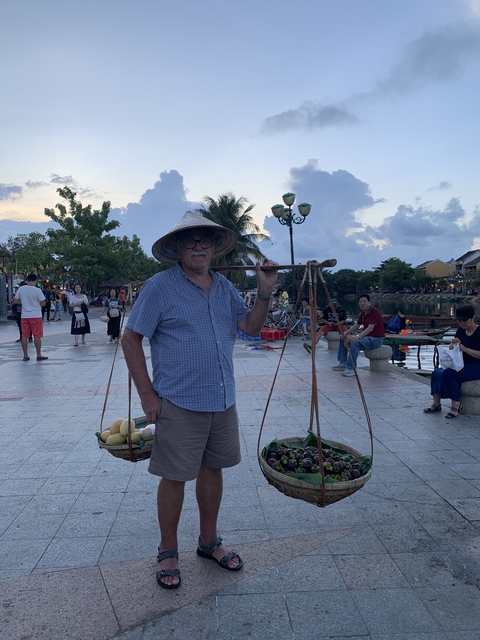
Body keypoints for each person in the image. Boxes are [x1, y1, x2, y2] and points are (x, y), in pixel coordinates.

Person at [121, 210, 278, 590]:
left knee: (213, 470)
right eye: (189, 240)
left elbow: (250, 328)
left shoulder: (223, 287)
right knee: (174, 477)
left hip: (222, 398)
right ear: (176, 248)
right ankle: (167, 549)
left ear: (213, 247)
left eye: (204, 240)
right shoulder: (160, 287)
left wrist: (265, 291)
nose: (198, 246)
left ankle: (209, 542)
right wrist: (148, 397)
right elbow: (130, 338)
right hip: (177, 400)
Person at [423, 304, 480, 419]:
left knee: (450, 374)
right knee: (437, 373)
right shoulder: (460, 330)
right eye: (459, 321)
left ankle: (456, 404)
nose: (462, 324)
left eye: (465, 320)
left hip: (476, 365)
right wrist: (453, 344)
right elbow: (452, 348)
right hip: (461, 363)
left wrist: (465, 349)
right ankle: (436, 403)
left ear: (473, 317)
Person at [332, 293, 384, 377]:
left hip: (376, 339)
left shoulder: (374, 312)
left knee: (355, 343)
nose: (362, 303)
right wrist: (345, 333)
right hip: (366, 338)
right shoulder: (363, 313)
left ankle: (351, 368)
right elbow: (357, 325)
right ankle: (343, 362)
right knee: (343, 338)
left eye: (364, 301)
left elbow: (370, 328)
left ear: (369, 302)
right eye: (360, 302)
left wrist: (357, 336)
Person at [12, 273, 48, 362]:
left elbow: (15, 301)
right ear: (36, 281)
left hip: (24, 315)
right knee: (37, 335)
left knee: (24, 336)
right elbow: (43, 303)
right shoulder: (38, 290)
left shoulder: (21, 289)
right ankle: (39, 354)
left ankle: (25, 355)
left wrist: (23, 301)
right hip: (36, 315)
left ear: (26, 280)